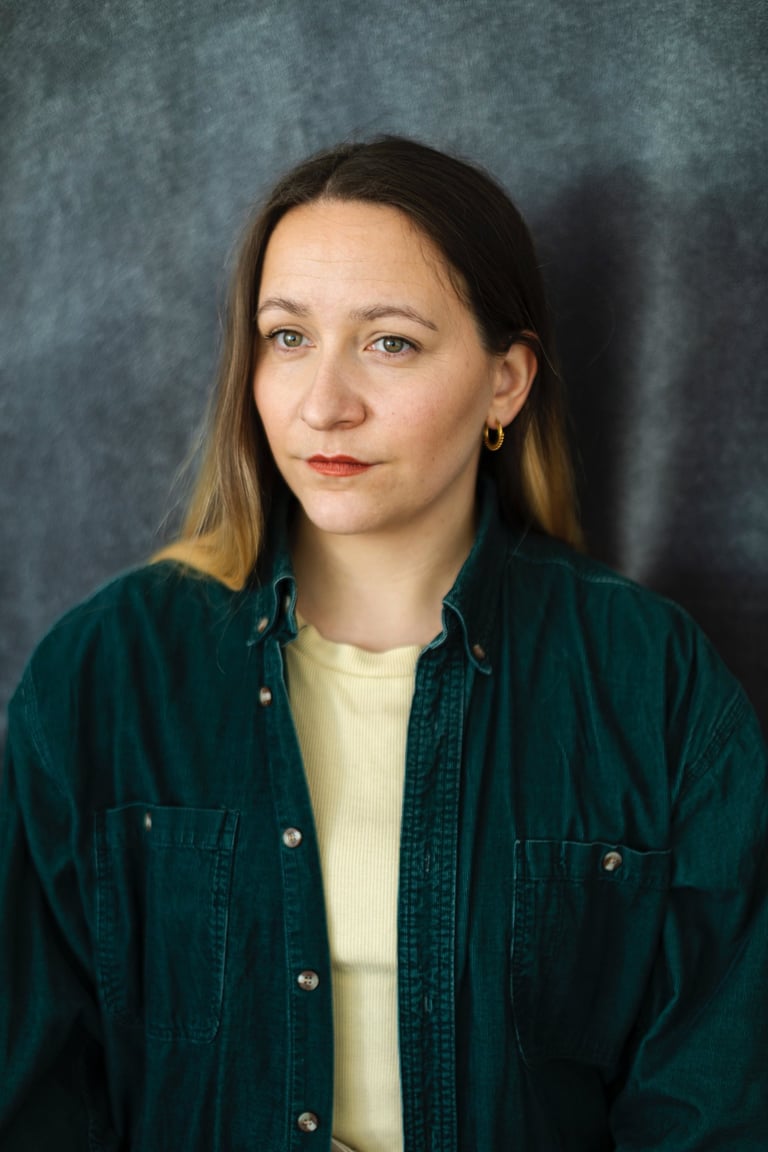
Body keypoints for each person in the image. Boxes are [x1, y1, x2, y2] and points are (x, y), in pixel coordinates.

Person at [1, 136, 766, 1152]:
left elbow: (713, 1104)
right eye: (287, 337)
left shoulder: (650, 684)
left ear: (506, 382)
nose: (325, 404)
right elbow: (32, 1093)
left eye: (390, 343)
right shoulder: (103, 677)